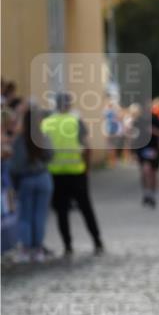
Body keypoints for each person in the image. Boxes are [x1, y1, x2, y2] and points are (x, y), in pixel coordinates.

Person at [41, 92, 104, 257]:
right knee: (86, 209)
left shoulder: (46, 123)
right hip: (77, 172)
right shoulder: (76, 121)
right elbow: (86, 147)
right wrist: (87, 168)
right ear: (68, 105)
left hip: (55, 174)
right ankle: (97, 241)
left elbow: (43, 149)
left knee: (61, 211)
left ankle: (67, 245)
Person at [9, 107, 53, 262]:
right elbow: (50, 155)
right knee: (40, 215)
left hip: (26, 180)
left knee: (25, 216)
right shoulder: (43, 137)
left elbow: (15, 166)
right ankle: (38, 248)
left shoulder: (20, 140)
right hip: (43, 178)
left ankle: (26, 249)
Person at [134, 100, 159, 208]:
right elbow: (132, 133)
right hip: (142, 149)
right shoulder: (138, 120)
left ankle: (153, 195)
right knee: (145, 171)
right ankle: (146, 193)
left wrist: (154, 131)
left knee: (153, 173)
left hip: (154, 149)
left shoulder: (156, 119)